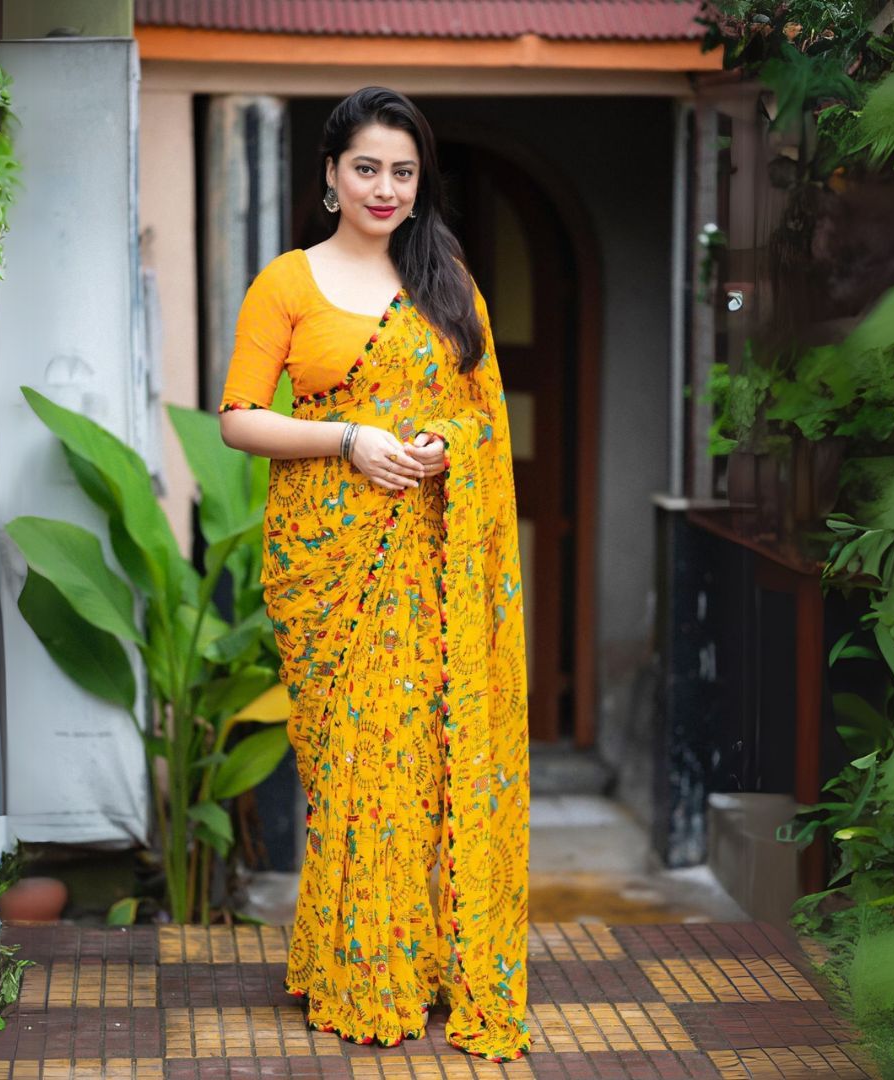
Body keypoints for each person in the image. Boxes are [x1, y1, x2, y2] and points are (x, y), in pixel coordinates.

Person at [218, 86, 530, 1063]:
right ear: (329, 175)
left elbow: (486, 416)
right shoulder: (288, 284)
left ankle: (427, 964)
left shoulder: (449, 286)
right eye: (367, 168)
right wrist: (350, 438)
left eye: (403, 170)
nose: (385, 187)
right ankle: (359, 968)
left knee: (425, 770)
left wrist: (446, 443)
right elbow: (238, 418)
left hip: (435, 575)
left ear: (418, 180)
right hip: (328, 567)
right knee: (352, 771)